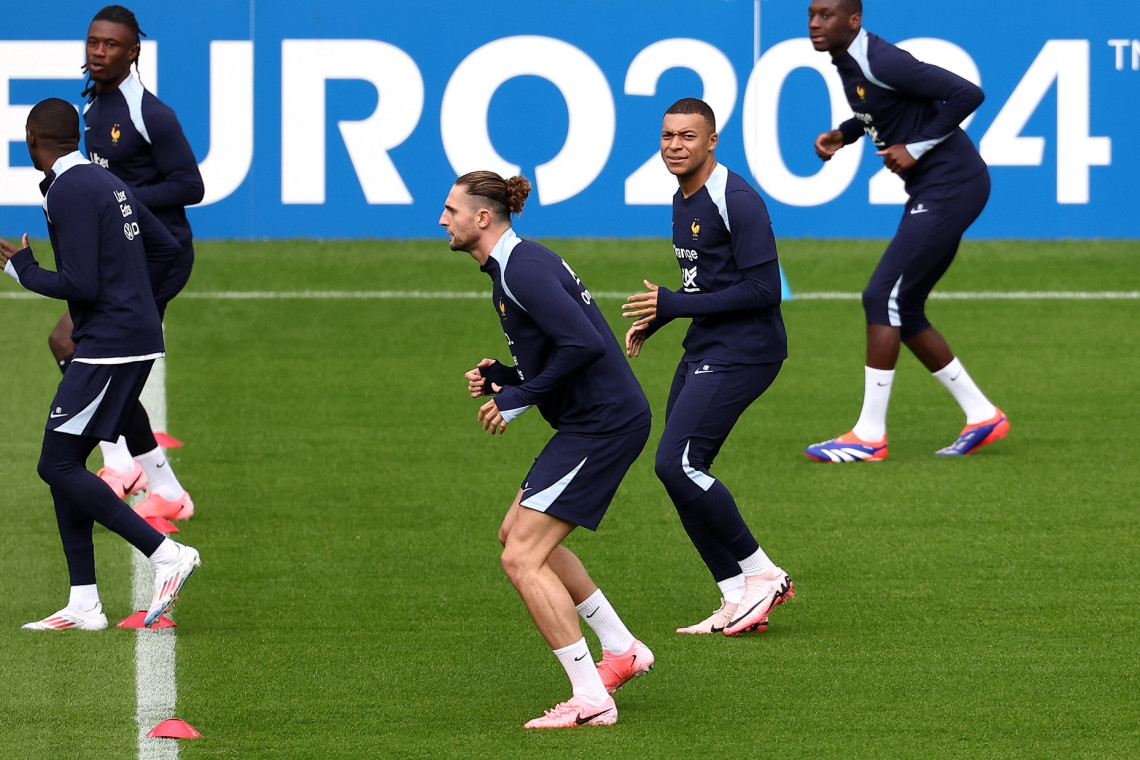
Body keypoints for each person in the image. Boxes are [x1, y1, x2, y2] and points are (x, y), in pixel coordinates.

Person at [441, 171, 654, 729]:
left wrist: (519, 398)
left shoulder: (523, 269)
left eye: (451, 211)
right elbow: (563, 348)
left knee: (521, 557)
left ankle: (591, 697)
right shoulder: (516, 264)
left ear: (482, 217)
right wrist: (507, 376)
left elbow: (584, 343)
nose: (443, 220)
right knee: (514, 534)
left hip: (603, 425)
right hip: (590, 420)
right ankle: (622, 649)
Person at [0, 98, 200, 631]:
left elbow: (80, 283)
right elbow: (167, 248)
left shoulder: (67, 190)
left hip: (109, 344)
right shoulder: (106, 181)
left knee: (56, 465)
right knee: (65, 465)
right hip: (128, 337)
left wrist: (24, 271)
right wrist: (136, 301)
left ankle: (167, 555)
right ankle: (84, 602)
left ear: (31, 140)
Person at [803, 0, 1008, 463]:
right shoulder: (850, 60)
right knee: (905, 306)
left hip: (952, 185)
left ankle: (869, 436)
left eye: (827, 14)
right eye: (812, 13)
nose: (815, 23)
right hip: (940, 187)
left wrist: (915, 146)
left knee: (880, 296)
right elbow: (884, 108)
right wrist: (844, 134)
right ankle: (982, 415)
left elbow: (967, 93)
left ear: (854, 20)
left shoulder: (882, 59)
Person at [623, 98, 794, 638]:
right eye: (667, 135)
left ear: (712, 141)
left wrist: (675, 305)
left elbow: (765, 290)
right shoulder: (683, 196)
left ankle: (763, 573)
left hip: (745, 351)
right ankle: (735, 593)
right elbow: (707, 285)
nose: (674, 145)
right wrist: (661, 317)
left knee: (679, 464)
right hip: (706, 345)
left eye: (688, 136)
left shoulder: (736, 199)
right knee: (675, 470)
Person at [48, 5, 204, 516]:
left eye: (111, 44)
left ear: (133, 52)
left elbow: (190, 186)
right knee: (79, 348)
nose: (98, 51)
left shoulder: (150, 113)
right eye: (93, 42)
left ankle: (129, 468)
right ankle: (157, 485)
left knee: (79, 346)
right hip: (125, 255)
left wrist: (120, 195)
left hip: (161, 255)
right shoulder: (94, 106)